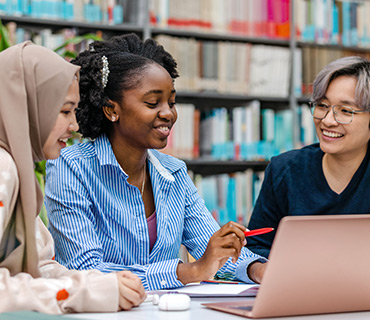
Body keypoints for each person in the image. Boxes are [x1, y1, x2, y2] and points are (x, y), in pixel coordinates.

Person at [44, 33, 267, 291]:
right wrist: (189, 271)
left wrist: (258, 269)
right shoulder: (71, 167)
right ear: (111, 110)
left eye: (171, 102)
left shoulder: (174, 172)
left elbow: (212, 250)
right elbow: (84, 269)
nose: (168, 113)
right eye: (152, 103)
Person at [0, 41, 146, 314]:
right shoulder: (3, 168)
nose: (75, 125)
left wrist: (100, 282)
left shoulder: (19, 171)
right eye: (65, 111)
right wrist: (84, 292)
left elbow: (41, 267)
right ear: (29, 106)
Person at [246, 56, 370, 258]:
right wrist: (260, 270)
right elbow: (256, 247)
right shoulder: (284, 169)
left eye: (345, 111)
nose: (327, 121)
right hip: (299, 287)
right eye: (322, 106)